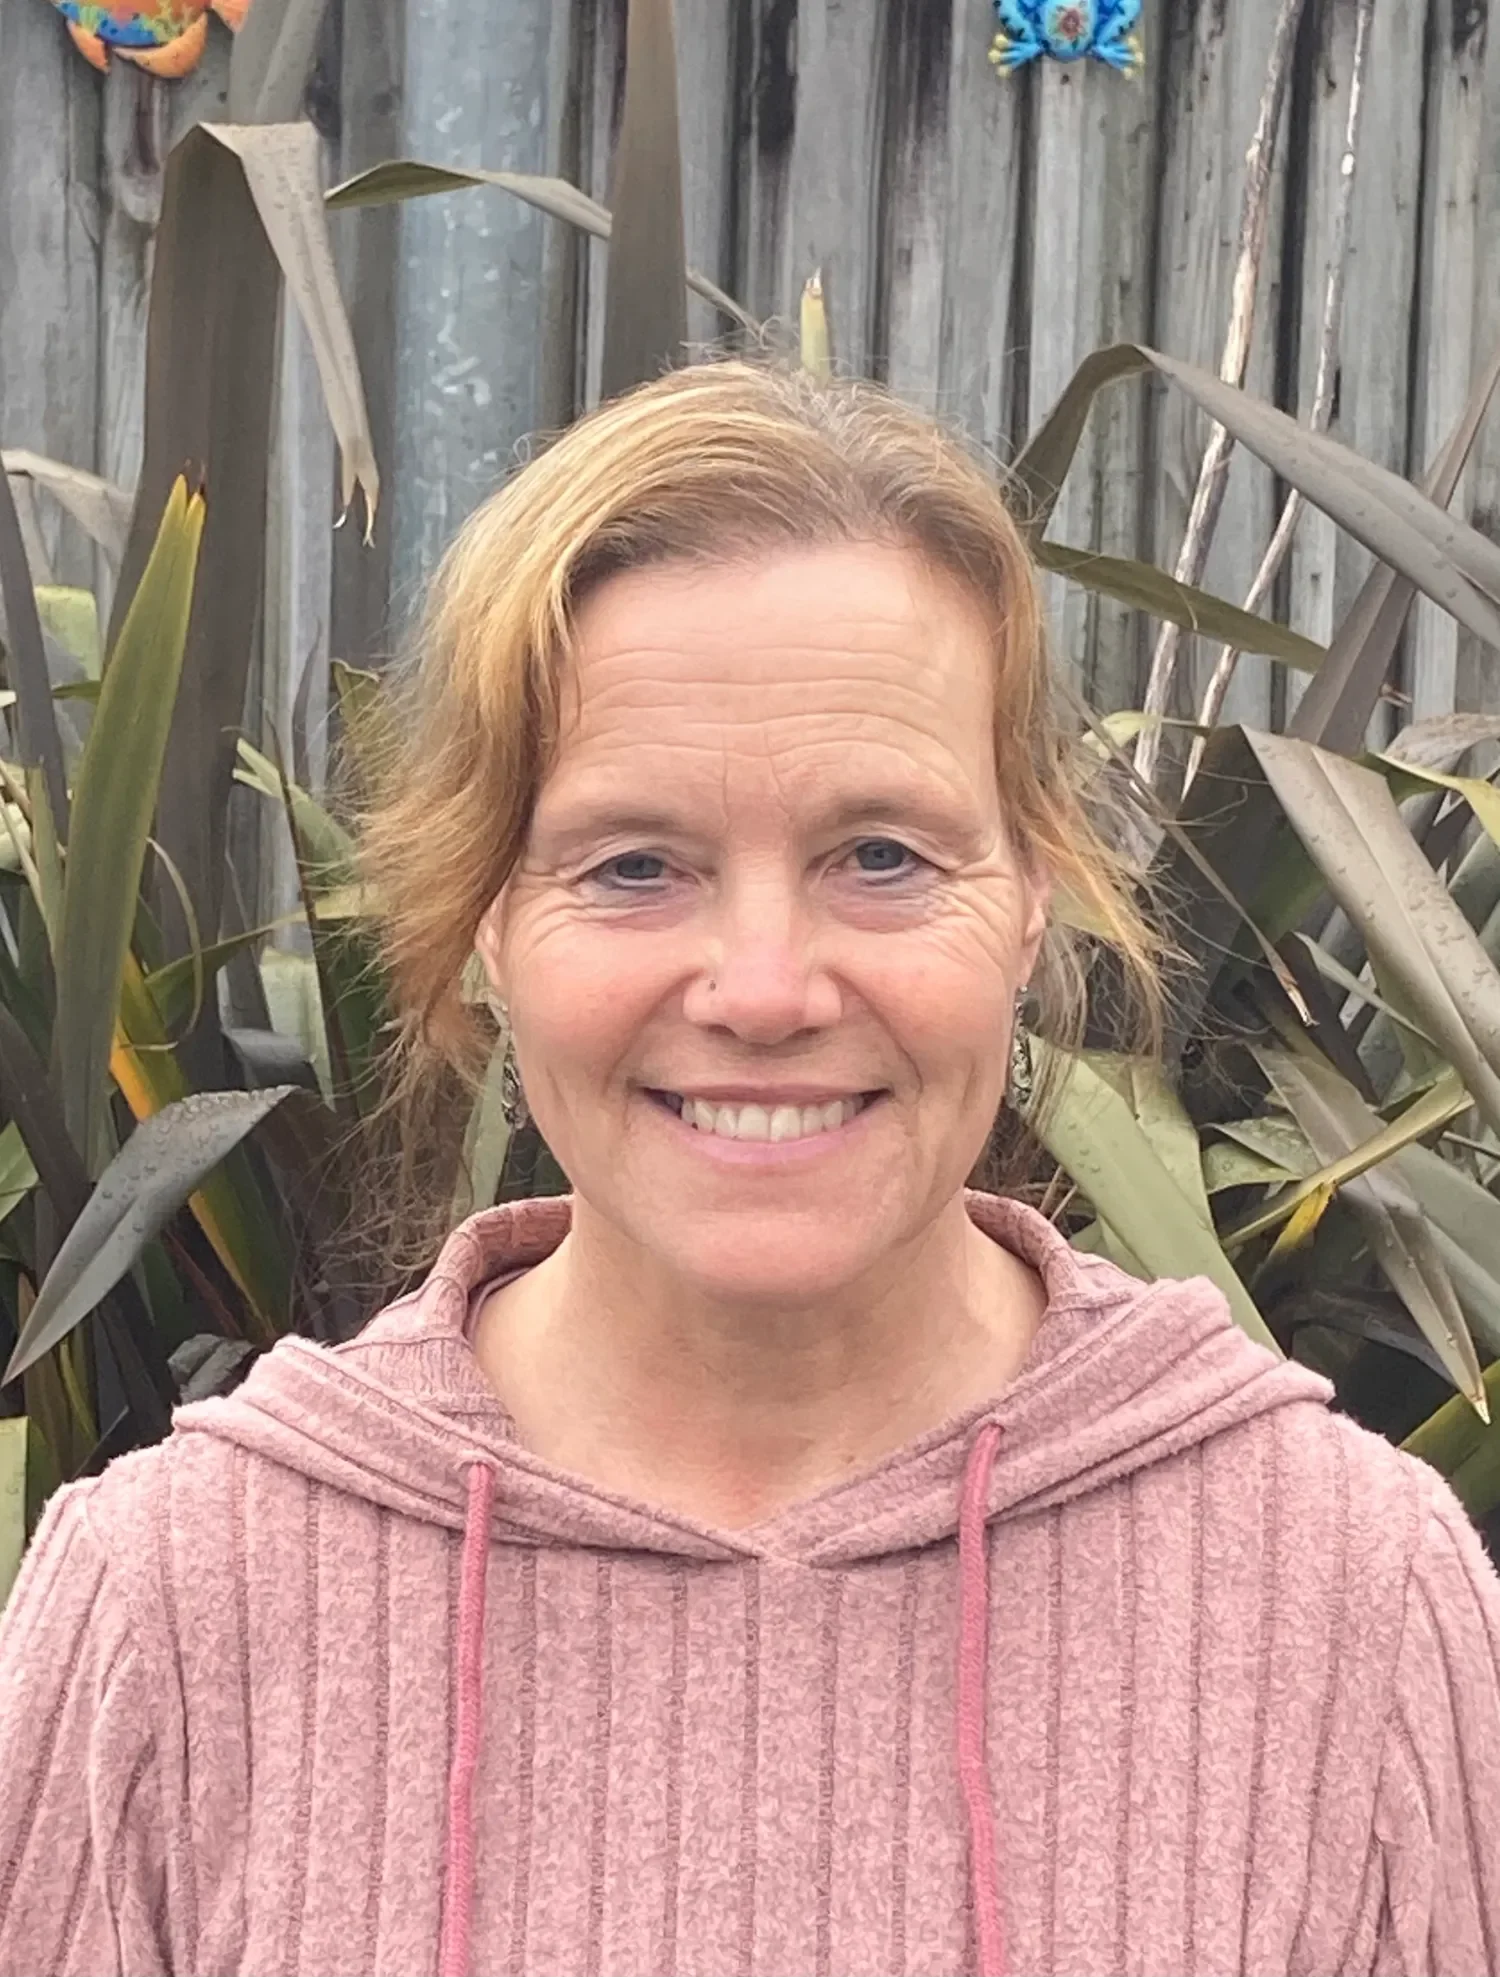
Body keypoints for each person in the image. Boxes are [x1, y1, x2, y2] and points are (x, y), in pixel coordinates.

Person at [1, 361, 1497, 1977]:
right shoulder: (165, 1610)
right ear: (485, 919)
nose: (768, 989)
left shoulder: (1352, 1600)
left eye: (882, 856)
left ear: (1033, 894)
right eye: (634, 864)